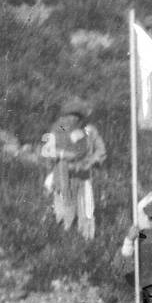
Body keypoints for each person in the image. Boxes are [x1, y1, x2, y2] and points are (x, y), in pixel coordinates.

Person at [40, 99, 107, 239]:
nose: (73, 118)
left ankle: (87, 240)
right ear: (65, 115)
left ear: (82, 117)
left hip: (84, 177)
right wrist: (63, 154)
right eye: (70, 115)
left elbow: (101, 151)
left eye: (77, 115)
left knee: (87, 211)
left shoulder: (89, 130)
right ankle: (64, 239)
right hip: (63, 176)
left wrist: (92, 161)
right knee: (65, 210)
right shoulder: (60, 128)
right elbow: (47, 151)